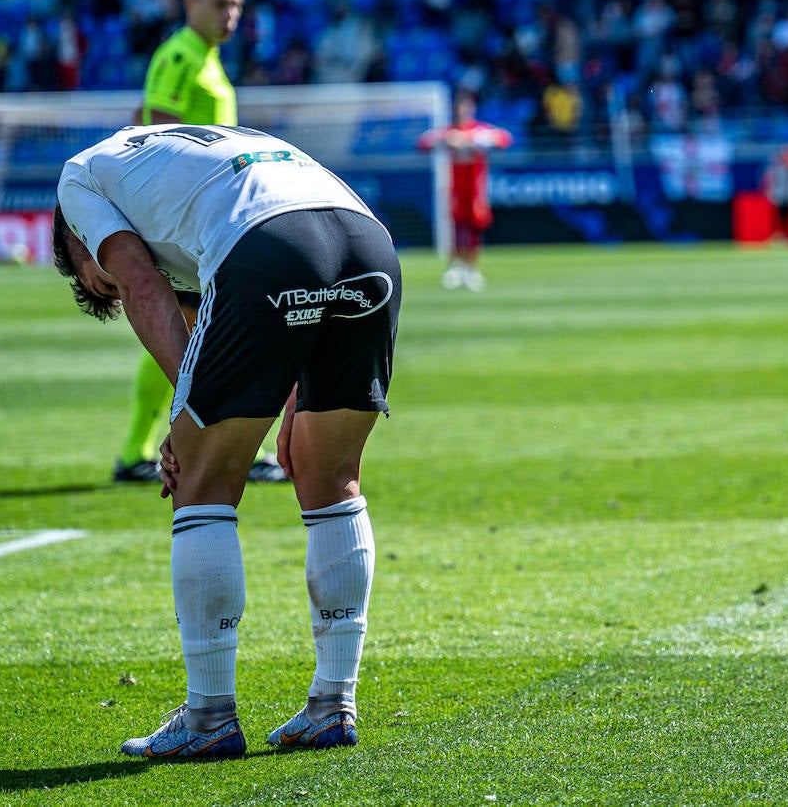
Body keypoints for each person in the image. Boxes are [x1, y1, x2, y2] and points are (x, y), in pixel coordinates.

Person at [52, 122, 402, 759]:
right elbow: (222, 303)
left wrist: (186, 412)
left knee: (199, 479)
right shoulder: (183, 156)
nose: (105, 278)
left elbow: (143, 284)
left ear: (76, 241)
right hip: (365, 241)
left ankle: (209, 716)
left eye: (93, 275)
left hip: (265, 243)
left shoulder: (78, 180)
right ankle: (333, 705)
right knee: (328, 476)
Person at [116, 0, 286, 484]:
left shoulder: (207, 58)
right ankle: (140, 451)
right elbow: (157, 131)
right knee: (195, 332)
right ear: (190, 3)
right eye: (220, 3)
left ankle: (149, 449)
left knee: (201, 333)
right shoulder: (180, 55)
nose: (231, 14)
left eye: (236, 4)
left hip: (216, 221)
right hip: (192, 223)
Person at [416, 90, 512, 290]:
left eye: (466, 108)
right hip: (454, 187)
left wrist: (473, 140)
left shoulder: (479, 131)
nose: (463, 112)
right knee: (456, 227)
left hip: (475, 188)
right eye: (460, 108)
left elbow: (504, 139)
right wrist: (447, 140)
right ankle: (455, 267)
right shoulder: (449, 132)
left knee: (474, 227)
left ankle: (472, 269)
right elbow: (423, 143)